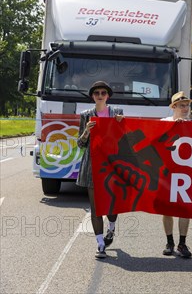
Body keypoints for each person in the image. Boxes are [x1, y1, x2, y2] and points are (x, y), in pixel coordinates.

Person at [76, 81, 124, 259]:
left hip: (112, 165)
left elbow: (123, 138)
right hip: (92, 165)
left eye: (103, 92)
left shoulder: (117, 113)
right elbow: (80, 144)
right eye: (97, 92)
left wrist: (121, 124)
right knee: (96, 208)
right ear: (93, 96)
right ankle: (100, 244)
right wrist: (87, 131)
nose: (100, 95)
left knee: (112, 205)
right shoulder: (86, 115)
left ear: (108, 96)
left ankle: (111, 228)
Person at [160, 92, 192, 258]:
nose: (186, 108)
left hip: (186, 173)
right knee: (167, 210)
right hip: (167, 173)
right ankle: (169, 241)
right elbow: (155, 142)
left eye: (187, 105)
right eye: (182, 105)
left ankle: (182, 243)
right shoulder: (163, 123)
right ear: (174, 107)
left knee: (185, 209)